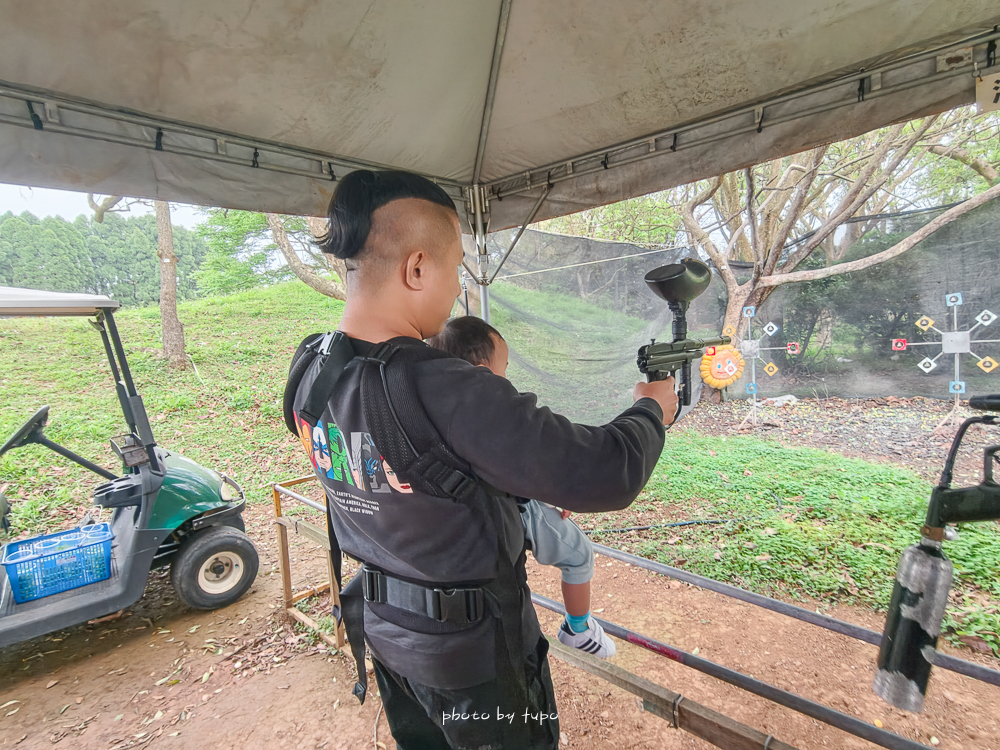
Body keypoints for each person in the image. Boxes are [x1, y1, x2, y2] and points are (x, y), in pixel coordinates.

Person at [287, 169, 676, 750]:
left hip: (387, 637)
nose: (459, 284)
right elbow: (606, 472)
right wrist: (651, 412)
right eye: (456, 266)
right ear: (417, 268)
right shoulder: (447, 387)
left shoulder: (310, 365)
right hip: (475, 662)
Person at [427, 316, 615, 658]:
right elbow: (529, 467)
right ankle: (579, 628)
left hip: (463, 525)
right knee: (579, 555)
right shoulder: (491, 411)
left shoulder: (431, 401)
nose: (505, 375)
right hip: (510, 509)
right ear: (483, 369)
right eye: (504, 366)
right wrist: (554, 493)